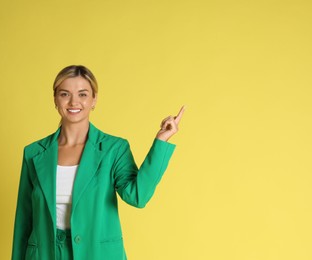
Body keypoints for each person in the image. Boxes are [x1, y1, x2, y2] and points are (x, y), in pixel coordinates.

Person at [12, 65, 185, 260]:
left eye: (83, 94)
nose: (74, 102)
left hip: (97, 254)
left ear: (94, 100)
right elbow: (24, 220)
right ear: (55, 99)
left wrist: (161, 141)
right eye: (65, 94)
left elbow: (138, 196)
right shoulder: (34, 153)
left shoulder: (114, 149)